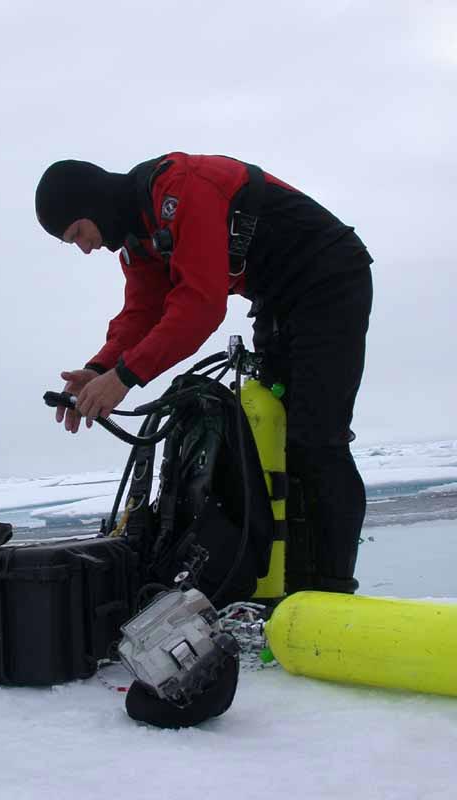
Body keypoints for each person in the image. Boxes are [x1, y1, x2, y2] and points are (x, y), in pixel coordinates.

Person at [35, 152, 373, 595]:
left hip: (328, 276)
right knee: (276, 441)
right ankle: (294, 587)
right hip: (275, 299)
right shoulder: (141, 243)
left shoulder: (180, 188)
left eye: (78, 232)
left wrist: (123, 377)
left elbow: (201, 305)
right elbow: (141, 314)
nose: (84, 246)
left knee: (315, 438)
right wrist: (98, 369)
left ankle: (331, 592)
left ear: (92, 202)